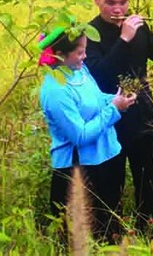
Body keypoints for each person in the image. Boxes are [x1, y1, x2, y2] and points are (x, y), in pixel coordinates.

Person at [85, 0, 153, 236]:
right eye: (110, 3)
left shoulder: (138, 26)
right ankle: (110, 239)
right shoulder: (90, 34)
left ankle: (148, 234)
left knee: (147, 181)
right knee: (109, 184)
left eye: (123, 1)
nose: (118, 9)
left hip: (142, 117)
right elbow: (99, 73)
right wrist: (123, 39)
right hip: (109, 120)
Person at [39, 26, 136, 243]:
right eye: (80, 52)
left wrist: (116, 99)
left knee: (110, 229)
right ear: (60, 55)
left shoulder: (79, 71)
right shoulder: (56, 90)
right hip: (80, 169)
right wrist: (114, 109)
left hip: (106, 158)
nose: (85, 56)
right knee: (82, 237)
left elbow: (96, 98)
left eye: (85, 50)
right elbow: (80, 136)